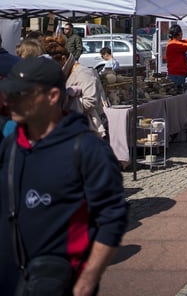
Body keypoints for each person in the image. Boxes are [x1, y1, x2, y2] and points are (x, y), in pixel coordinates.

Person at [0, 57, 129, 294]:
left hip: (58, 282)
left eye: (22, 93)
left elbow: (113, 217)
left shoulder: (87, 150)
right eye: (10, 92)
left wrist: (89, 277)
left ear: (53, 97)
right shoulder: (11, 146)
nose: (11, 100)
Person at [43, 36, 108, 138]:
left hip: (87, 129)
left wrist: (69, 99)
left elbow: (91, 101)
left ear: (64, 59)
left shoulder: (83, 72)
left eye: (56, 64)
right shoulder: (63, 74)